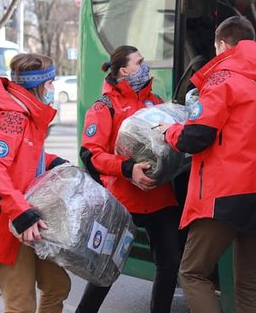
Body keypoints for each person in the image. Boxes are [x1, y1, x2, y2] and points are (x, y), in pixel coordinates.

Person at [160, 16, 256, 313]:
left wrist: (169, 132)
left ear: (221, 44)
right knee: (250, 285)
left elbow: (196, 137)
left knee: (192, 272)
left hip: (226, 193)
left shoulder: (223, 78)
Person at [0, 53, 71, 313]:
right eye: (51, 82)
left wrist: (53, 162)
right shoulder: (13, 118)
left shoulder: (29, 115)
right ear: (39, 85)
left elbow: (23, 155)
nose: (53, 88)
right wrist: (21, 214)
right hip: (11, 223)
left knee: (57, 286)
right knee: (21, 304)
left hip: (31, 219)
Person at [76, 45, 181, 313]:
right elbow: (91, 154)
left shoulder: (155, 102)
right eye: (140, 62)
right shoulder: (105, 106)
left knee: (170, 263)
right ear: (124, 70)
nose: (145, 66)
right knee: (106, 269)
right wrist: (128, 169)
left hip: (160, 198)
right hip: (124, 201)